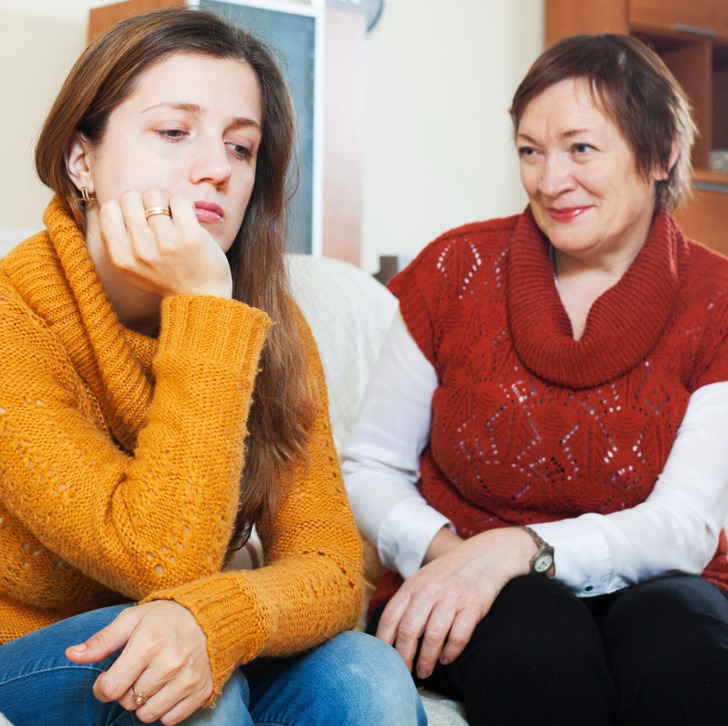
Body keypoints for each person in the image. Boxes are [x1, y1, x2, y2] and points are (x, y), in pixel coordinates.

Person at [0, 8, 425, 726]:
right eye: (174, 132)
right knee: (188, 693)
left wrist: (218, 619)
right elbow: (158, 556)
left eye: (241, 147)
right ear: (82, 158)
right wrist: (202, 304)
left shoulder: (271, 325)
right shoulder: (14, 320)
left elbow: (332, 569)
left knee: (369, 674)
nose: (216, 169)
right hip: (37, 657)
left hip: (192, 635)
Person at [342, 32, 728, 725]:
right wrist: (455, 556)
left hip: (656, 580)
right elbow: (371, 464)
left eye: (581, 148)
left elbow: (684, 524)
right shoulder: (453, 270)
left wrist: (524, 548)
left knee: (688, 646)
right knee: (538, 642)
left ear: (662, 150)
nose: (550, 181)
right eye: (530, 150)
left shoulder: (718, 298)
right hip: (475, 581)